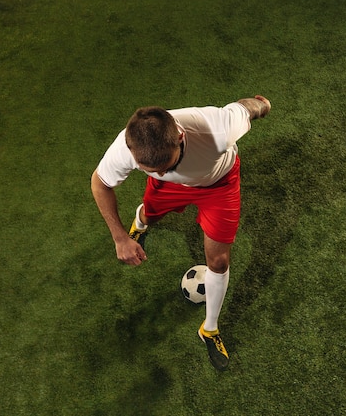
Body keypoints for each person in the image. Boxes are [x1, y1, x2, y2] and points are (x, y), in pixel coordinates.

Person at [91, 95, 271, 370]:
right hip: (169, 191)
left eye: (170, 165)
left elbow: (247, 108)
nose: (164, 171)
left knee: (219, 261)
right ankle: (140, 224)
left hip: (219, 184)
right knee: (149, 214)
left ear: (180, 136)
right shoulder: (125, 148)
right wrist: (120, 238)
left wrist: (261, 105)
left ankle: (209, 329)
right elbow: (100, 183)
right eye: (154, 170)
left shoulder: (216, 127)